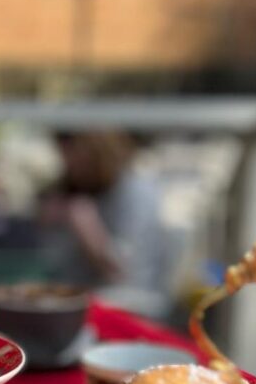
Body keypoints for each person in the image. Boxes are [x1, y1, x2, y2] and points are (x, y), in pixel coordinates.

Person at [39, 131, 175, 316]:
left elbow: (120, 271)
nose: (70, 165)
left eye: (75, 156)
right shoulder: (75, 188)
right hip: (80, 296)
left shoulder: (135, 191)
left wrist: (87, 228)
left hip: (131, 300)